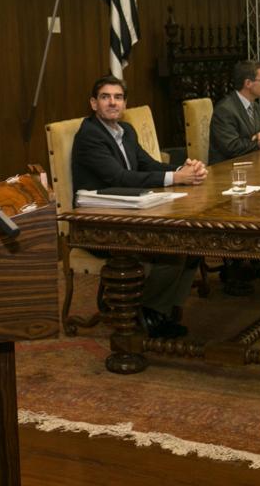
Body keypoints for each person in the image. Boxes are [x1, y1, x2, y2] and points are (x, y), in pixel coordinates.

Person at [71, 75, 208, 338]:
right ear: (93, 103)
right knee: (175, 249)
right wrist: (176, 179)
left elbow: (148, 165)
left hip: (129, 211)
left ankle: (163, 311)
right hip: (100, 223)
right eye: (105, 97)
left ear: (124, 103)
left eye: (118, 97)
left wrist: (183, 170)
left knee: (194, 247)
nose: (112, 102)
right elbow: (118, 177)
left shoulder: (127, 131)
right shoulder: (90, 135)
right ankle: (149, 312)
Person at [208, 60, 260, 164]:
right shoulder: (225, 110)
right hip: (227, 171)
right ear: (248, 83)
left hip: (252, 165)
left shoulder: (255, 106)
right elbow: (232, 147)